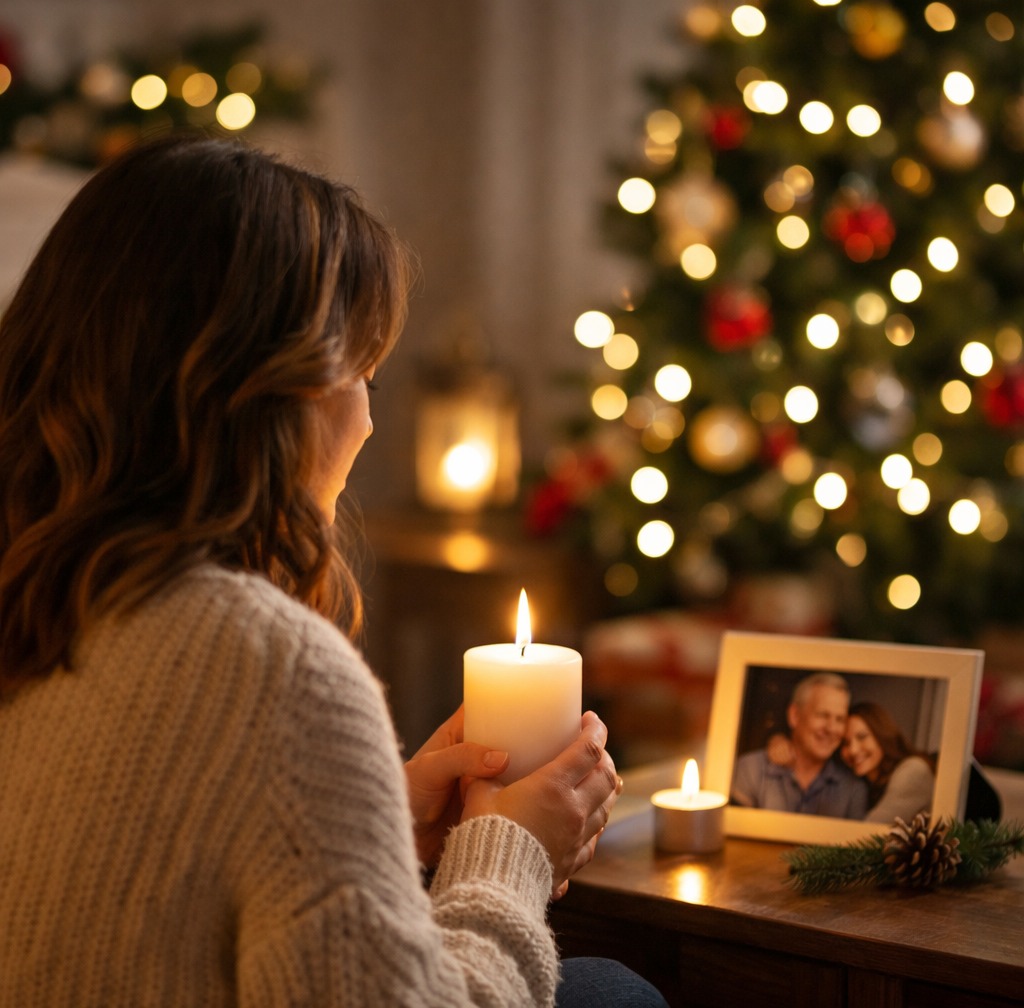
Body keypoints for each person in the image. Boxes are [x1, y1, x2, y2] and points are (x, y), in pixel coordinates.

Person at [0, 134, 667, 1007]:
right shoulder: (275, 670)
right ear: (274, 396)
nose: (369, 422)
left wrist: (371, 811)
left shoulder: (46, 597)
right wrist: (508, 855)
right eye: (366, 376)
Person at [730, 672, 868, 818]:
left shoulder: (853, 790)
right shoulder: (750, 770)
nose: (831, 728)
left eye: (840, 719)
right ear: (794, 715)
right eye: (822, 715)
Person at [841, 701, 936, 823]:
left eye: (862, 737)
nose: (853, 750)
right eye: (845, 743)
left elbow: (868, 834)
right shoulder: (862, 784)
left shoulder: (914, 770)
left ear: (882, 734)